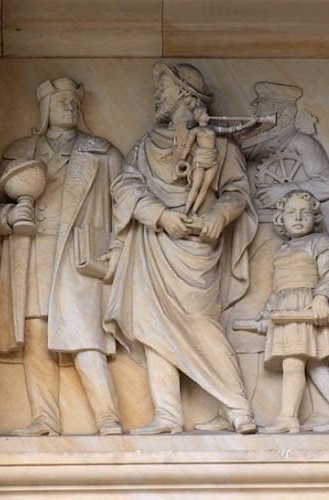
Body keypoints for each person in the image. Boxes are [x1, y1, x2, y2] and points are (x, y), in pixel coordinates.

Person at [103, 62, 258, 435]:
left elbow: (238, 191)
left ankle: (238, 408)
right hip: (155, 242)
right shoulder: (146, 145)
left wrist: (219, 215)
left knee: (202, 323)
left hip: (196, 245)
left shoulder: (221, 144)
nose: (158, 95)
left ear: (185, 95)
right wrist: (160, 215)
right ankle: (168, 414)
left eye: (165, 88)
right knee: (152, 324)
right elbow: (124, 185)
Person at [0, 77, 123, 436]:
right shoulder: (19, 152)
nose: (69, 106)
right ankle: (45, 419)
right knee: (36, 336)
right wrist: (8, 215)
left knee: (85, 335)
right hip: (30, 257)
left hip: (79, 257)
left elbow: (126, 209)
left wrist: (117, 251)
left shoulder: (101, 153)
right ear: (45, 108)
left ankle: (108, 417)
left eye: (74, 101)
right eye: (61, 101)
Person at [198, 82, 329, 432]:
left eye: (265, 111)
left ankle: (285, 412)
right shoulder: (249, 147)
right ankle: (234, 407)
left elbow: (328, 184)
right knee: (239, 322)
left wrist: (285, 191)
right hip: (251, 239)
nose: (258, 117)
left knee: (283, 337)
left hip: (282, 247)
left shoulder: (302, 143)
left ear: (285, 114)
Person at [257, 190, 329, 433]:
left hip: (306, 307)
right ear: (281, 218)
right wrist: (266, 314)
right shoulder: (281, 251)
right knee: (315, 365)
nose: (298, 217)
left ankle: (288, 417)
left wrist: (321, 298)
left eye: (305, 212)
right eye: (291, 212)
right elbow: (278, 289)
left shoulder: (320, 242)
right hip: (285, 308)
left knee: (293, 361)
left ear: (315, 217)